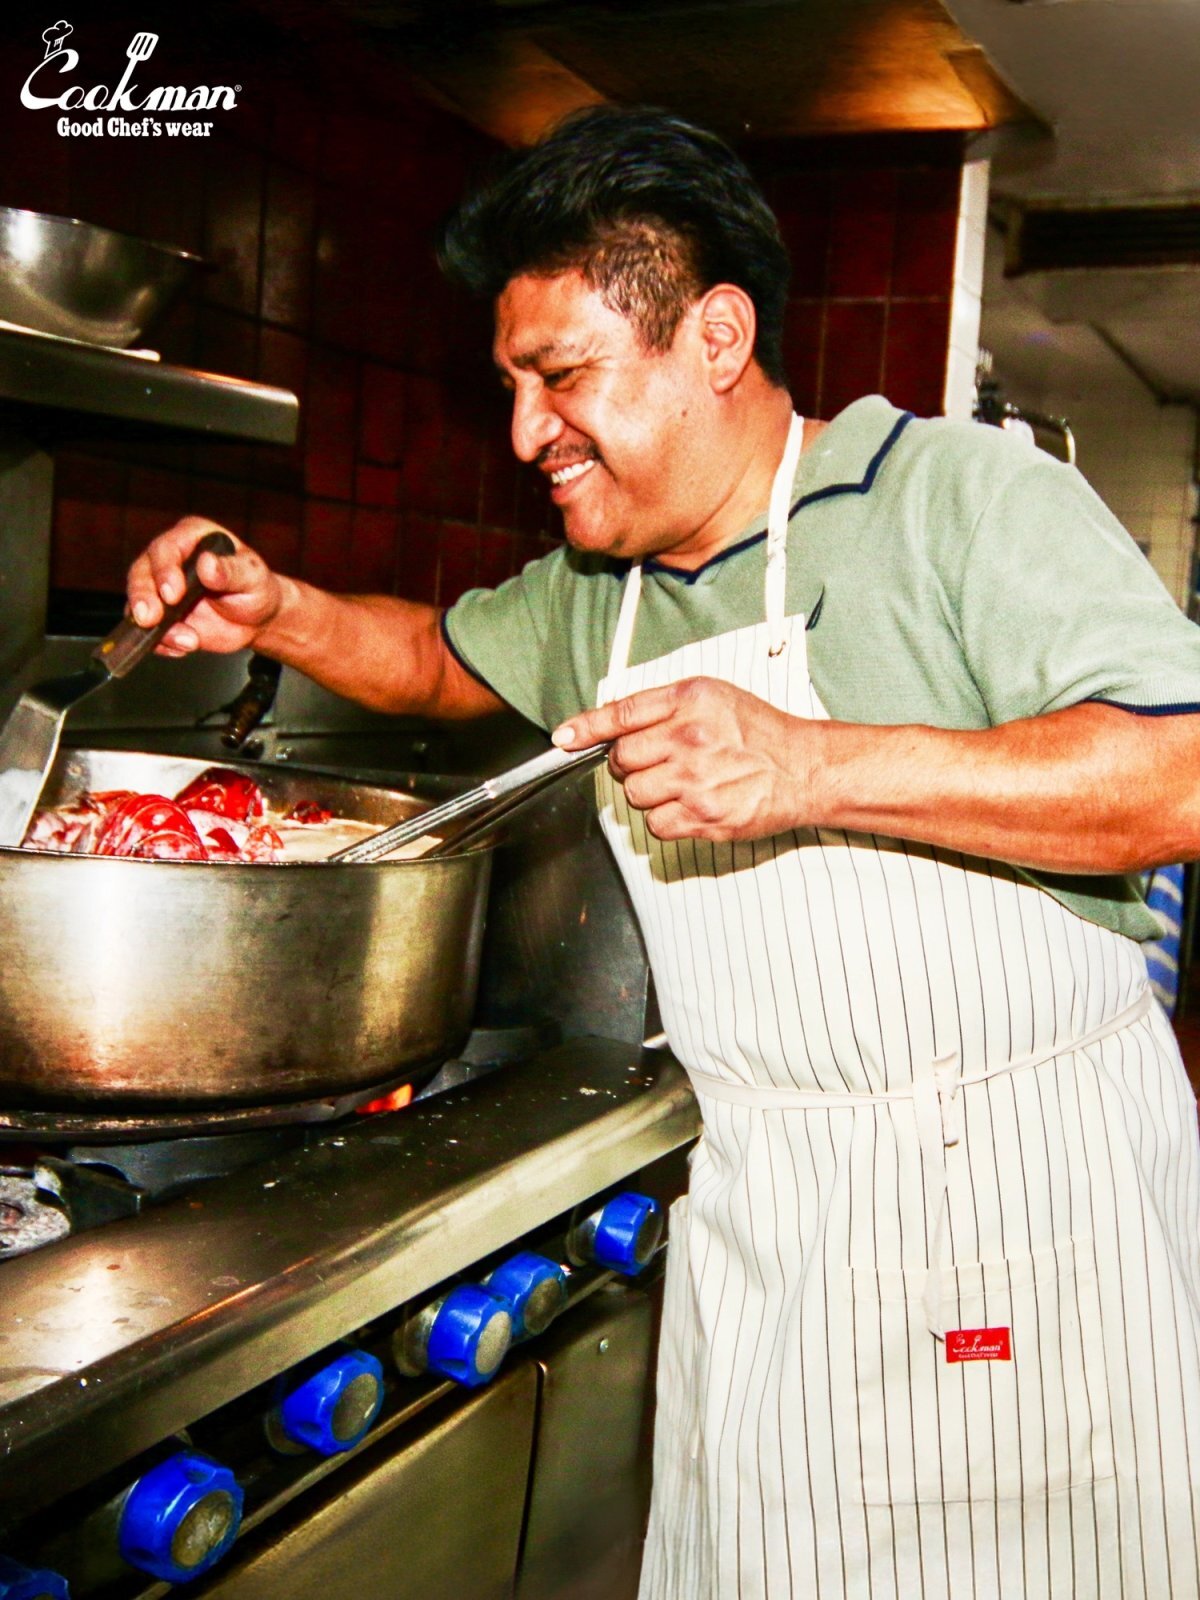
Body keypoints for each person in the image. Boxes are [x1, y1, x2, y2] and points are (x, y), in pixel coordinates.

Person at [128, 107, 1200, 1600]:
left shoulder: (957, 500)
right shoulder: (599, 588)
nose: (526, 434)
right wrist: (282, 611)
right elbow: (438, 661)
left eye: (562, 376)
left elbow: (1180, 774)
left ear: (716, 337)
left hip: (1015, 1211)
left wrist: (812, 763)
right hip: (765, 1229)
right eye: (512, 386)